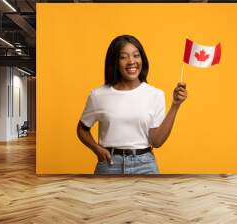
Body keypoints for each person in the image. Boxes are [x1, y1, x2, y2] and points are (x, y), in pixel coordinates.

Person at [76, 35, 187, 174]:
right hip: (110, 165)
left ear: (142, 59)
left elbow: (157, 142)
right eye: (123, 57)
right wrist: (96, 148)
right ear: (114, 62)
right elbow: (82, 129)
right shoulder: (98, 95)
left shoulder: (155, 94)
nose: (131, 61)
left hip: (145, 165)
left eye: (136, 55)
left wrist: (175, 105)